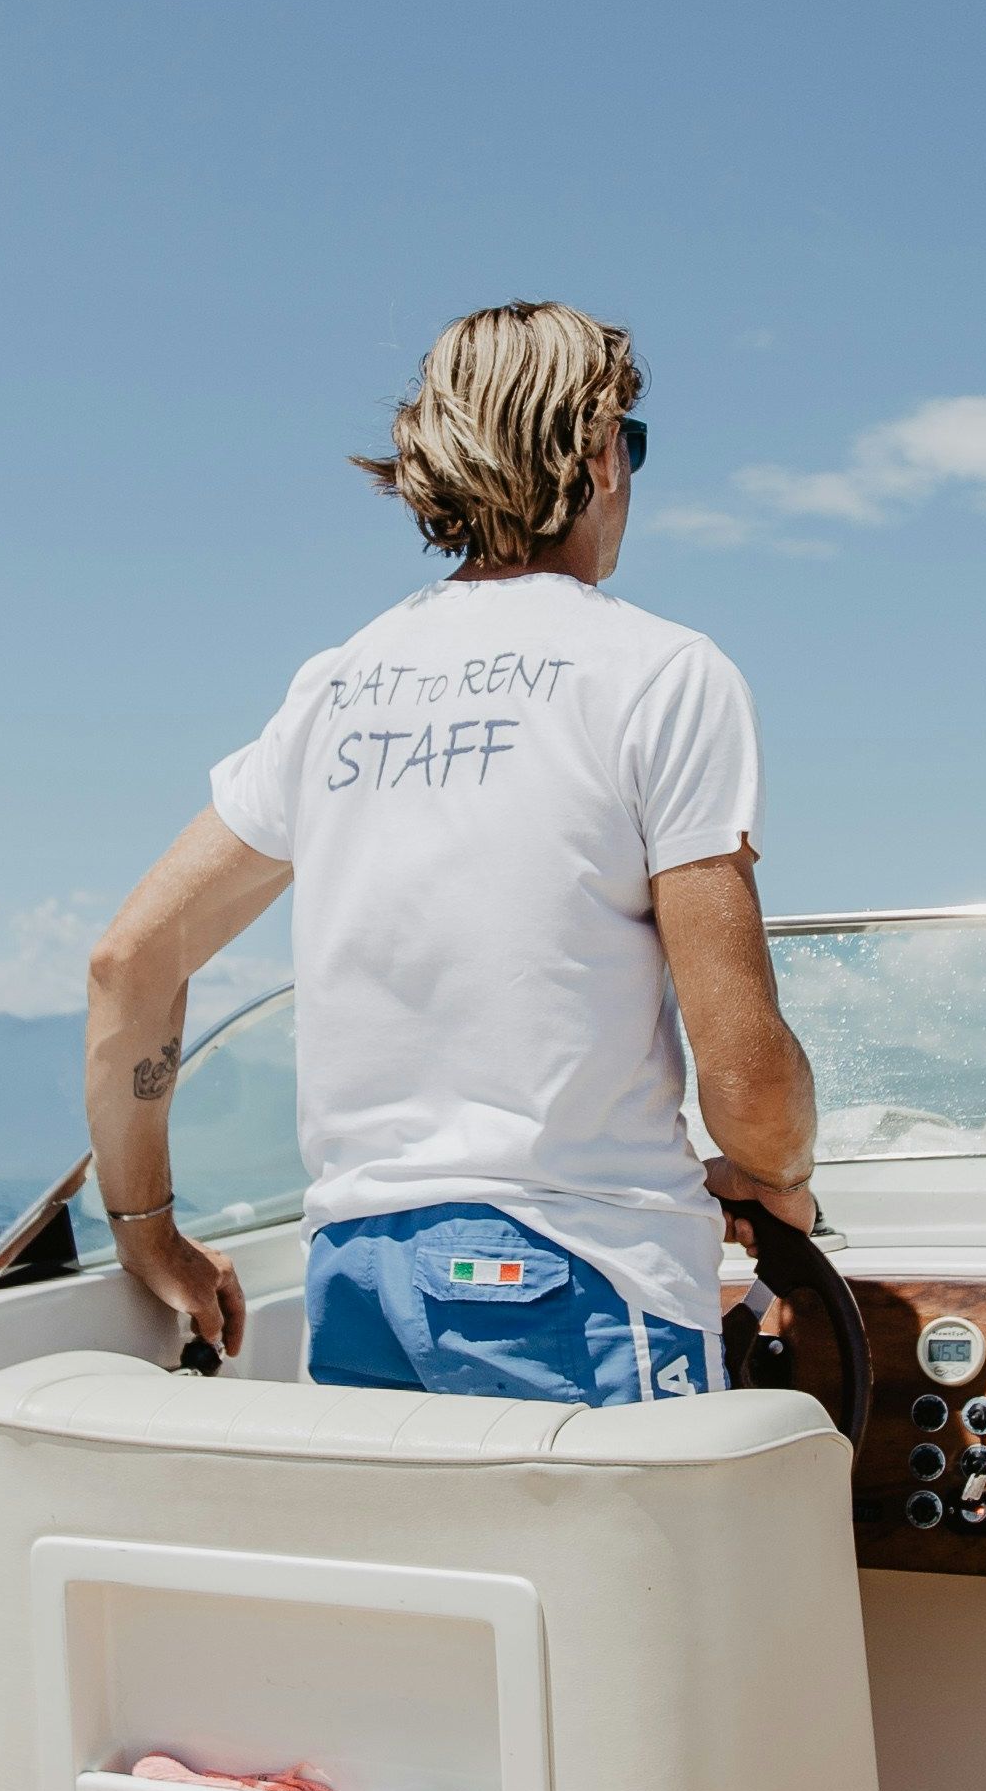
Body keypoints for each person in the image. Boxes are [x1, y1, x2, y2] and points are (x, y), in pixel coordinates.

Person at [79, 300, 819, 1405]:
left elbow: (128, 966)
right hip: (579, 1273)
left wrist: (145, 1228)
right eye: (635, 442)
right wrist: (776, 1179)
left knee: (438, 1584)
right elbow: (746, 1071)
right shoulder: (663, 674)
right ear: (600, 451)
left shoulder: (337, 684)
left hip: (358, 1276)